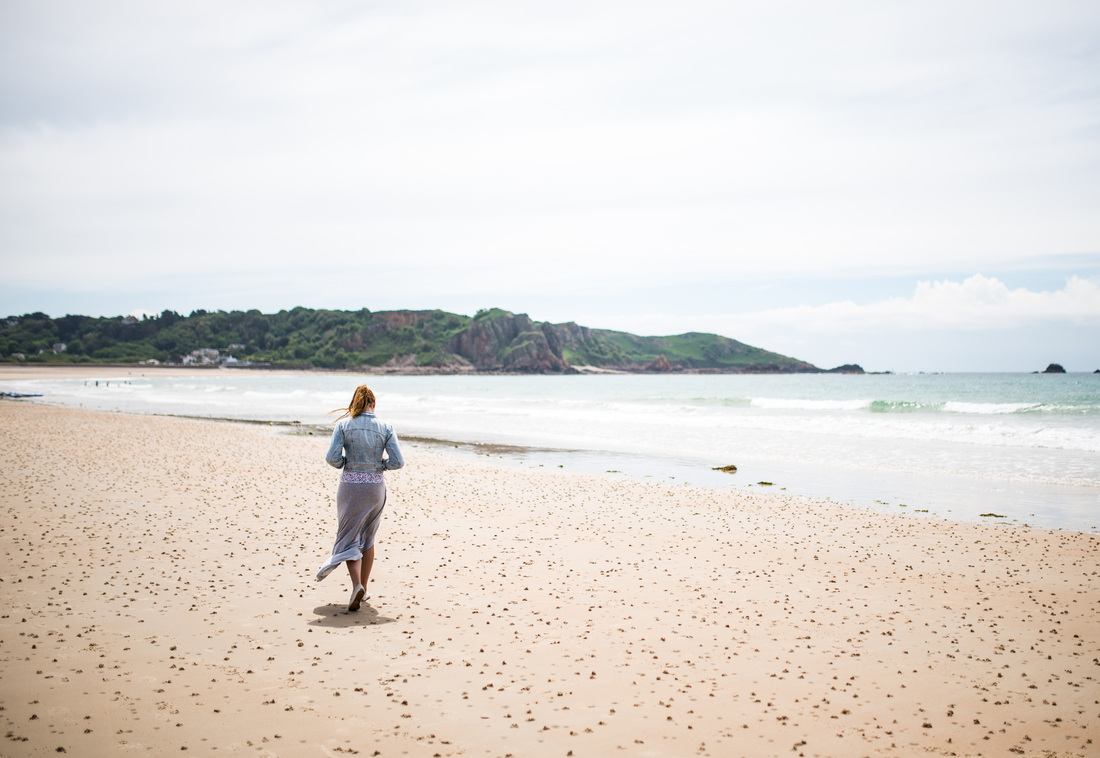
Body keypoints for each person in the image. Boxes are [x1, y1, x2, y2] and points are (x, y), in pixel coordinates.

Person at [316, 384, 404, 611]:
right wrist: (379, 466)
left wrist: (346, 464)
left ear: (355, 404)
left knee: (348, 536)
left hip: (351, 487)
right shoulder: (386, 427)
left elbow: (331, 458)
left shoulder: (344, 426)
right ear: (373, 404)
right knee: (369, 538)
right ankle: (363, 587)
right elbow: (398, 462)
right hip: (375, 488)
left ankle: (356, 585)